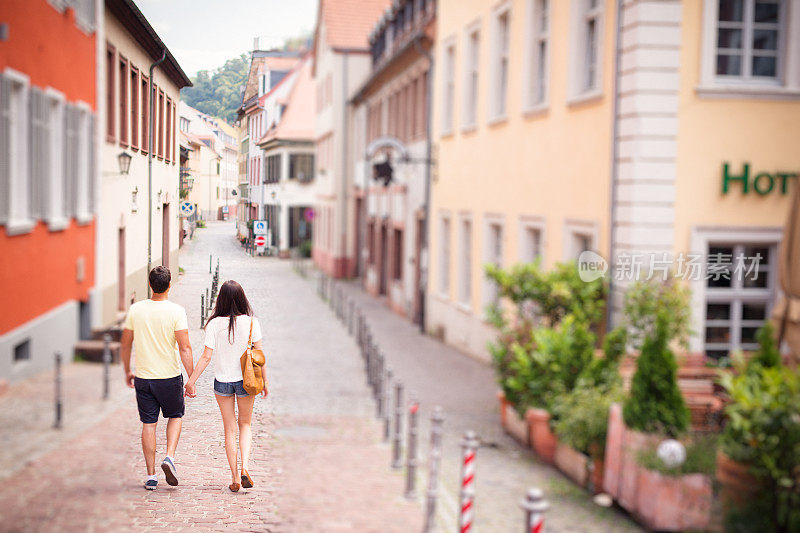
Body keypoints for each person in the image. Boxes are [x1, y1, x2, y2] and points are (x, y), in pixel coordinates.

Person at [184, 280, 268, 492]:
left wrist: (191, 381)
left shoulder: (213, 324)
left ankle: (234, 478)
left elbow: (205, 357)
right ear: (241, 299)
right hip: (246, 382)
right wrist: (264, 382)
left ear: (220, 300)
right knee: (246, 425)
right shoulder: (251, 322)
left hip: (222, 382)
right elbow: (259, 357)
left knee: (229, 429)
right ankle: (245, 467)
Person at [120, 266, 193, 491]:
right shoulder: (177, 312)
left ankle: (151, 476)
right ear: (169, 286)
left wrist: (126, 371)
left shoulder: (136, 310)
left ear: (150, 284)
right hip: (169, 377)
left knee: (148, 424)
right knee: (176, 415)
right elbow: (185, 347)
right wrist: (191, 378)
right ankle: (169, 456)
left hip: (143, 378)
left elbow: (125, 344)